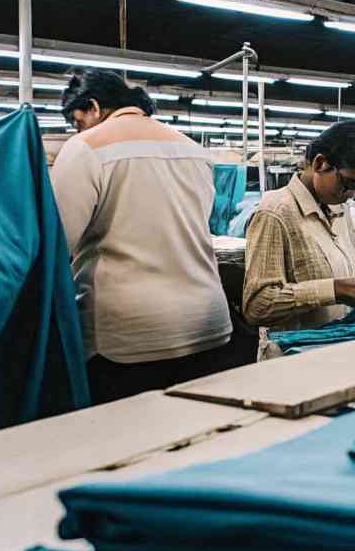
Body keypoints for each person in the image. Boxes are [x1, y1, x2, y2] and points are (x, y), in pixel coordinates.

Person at [50, 68, 232, 404]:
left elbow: (58, 242)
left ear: (92, 106)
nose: (77, 130)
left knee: (131, 442)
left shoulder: (85, 148)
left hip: (130, 336)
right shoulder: (192, 150)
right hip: (206, 323)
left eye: (77, 121)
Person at [243, 120, 355, 341]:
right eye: (348, 183)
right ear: (320, 163)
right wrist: (337, 290)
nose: (351, 194)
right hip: (295, 357)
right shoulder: (275, 212)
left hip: (337, 344)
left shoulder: (340, 208)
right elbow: (257, 305)